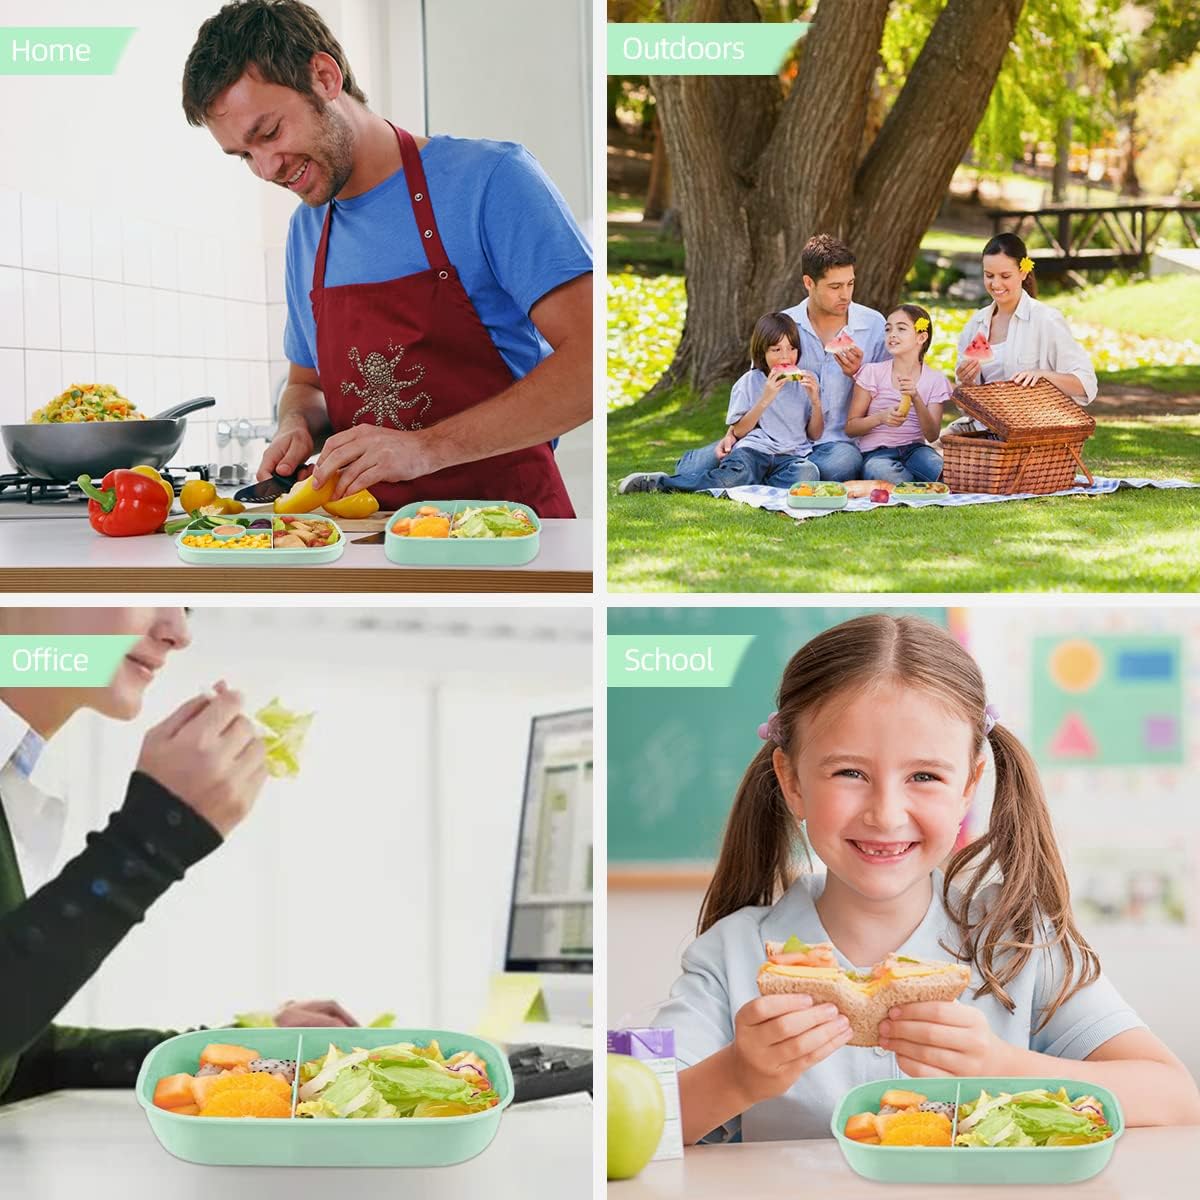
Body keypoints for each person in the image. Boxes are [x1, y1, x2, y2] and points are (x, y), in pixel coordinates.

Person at [652, 615, 1200, 1144]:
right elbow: (623, 1130)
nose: (886, 814)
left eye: (924, 776)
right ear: (791, 781)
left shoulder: (1015, 941)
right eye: (850, 773)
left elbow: (1175, 1097)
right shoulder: (732, 955)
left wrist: (1001, 1066)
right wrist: (738, 1078)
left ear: (969, 784)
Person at [182, 0, 592, 517]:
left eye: (269, 133)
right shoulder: (307, 231)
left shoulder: (491, 181)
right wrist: (295, 424)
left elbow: (589, 366)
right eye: (243, 155)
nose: (265, 169)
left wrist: (425, 448)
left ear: (325, 77)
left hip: (508, 536)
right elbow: (306, 385)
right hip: (367, 539)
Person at [0, 608, 354, 1104]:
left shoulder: (17, 781)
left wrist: (239, 1054)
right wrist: (153, 838)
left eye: (187, 604)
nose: (178, 631)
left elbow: (17, 1060)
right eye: (146, 585)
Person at [617, 313, 823, 495]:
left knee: (809, 473)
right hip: (754, 452)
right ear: (763, 353)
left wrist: (815, 400)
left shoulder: (807, 381)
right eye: (776, 349)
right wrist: (766, 397)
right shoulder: (749, 382)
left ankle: (749, 486)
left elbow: (815, 434)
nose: (786, 356)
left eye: (792, 348)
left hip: (790, 458)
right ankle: (659, 483)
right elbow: (739, 431)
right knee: (733, 477)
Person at [951, 232, 1097, 433]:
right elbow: (964, 406)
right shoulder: (976, 324)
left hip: (1031, 433)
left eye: (1005, 276)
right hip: (983, 430)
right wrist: (966, 383)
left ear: (1023, 272)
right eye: (989, 275)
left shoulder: (1045, 319)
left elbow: (1085, 384)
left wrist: (1041, 376)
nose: (995, 284)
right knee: (931, 452)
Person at [845, 304, 950, 483]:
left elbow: (932, 435)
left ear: (921, 337)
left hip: (917, 450)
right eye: (888, 329)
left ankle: (913, 486)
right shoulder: (872, 372)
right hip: (878, 454)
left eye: (901, 329)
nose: (892, 334)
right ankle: (913, 486)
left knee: (943, 472)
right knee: (884, 474)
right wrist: (881, 418)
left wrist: (916, 398)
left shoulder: (935, 380)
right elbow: (851, 428)